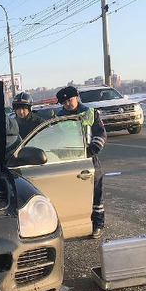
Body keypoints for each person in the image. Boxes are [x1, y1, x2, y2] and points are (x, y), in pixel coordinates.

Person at [56, 86, 107, 238]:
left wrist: (93, 149)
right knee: (72, 194)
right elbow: (55, 138)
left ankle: (97, 224)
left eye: (70, 100)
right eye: (64, 102)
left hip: (89, 159)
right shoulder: (59, 117)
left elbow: (101, 134)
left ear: (76, 97)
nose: (68, 104)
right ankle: (74, 224)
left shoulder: (90, 113)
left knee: (95, 192)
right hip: (69, 160)